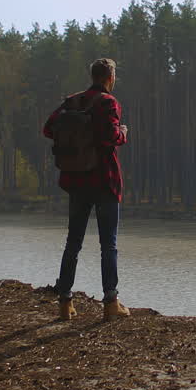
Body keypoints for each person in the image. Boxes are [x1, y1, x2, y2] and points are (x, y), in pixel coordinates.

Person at [43, 58, 130, 321]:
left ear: (92, 76)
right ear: (110, 77)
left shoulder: (72, 101)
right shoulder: (108, 103)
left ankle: (65, 302)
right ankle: (111, 303)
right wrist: (123, 132)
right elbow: (110, 137)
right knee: (108, 246)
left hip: (76, 180)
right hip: (104, 181)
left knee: (73, 243)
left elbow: (48, 129)